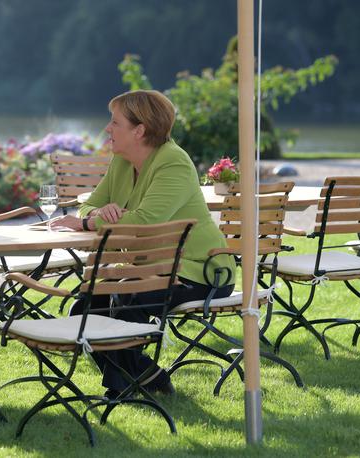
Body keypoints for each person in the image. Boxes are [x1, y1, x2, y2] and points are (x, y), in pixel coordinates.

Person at [51, 90, 236, 397]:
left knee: (128, 296)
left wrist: (87, 222)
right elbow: (85, 204)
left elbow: (145, 221)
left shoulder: (173, 162)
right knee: (85, 305)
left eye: (115, 123)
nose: (107, 129)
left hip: (199, 271)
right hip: (150, 268)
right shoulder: (122, 161)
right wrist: (97, 212)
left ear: (139, 130)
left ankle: (119, 389)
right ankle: (149, 376)